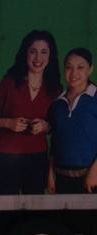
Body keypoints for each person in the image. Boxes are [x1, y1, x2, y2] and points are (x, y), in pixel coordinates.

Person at [0, 30, 61, 195]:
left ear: (50, 56)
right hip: (6, 157)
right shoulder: (9, 83)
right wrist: (8, 123)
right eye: (33, 51)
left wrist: (46, 126)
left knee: (34, 212)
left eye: (44, 52)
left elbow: (57, 126)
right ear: (25, 53)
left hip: (38, 156)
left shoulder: (55, 89)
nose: (38, 58)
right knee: (7, 211)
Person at [49, 48, 97, 193]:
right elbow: (55, 141)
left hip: (91, 178)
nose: (74, 73)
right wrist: (50, 173)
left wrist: (95, 172)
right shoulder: (57, 103)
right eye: (69, 67)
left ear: (90, 70)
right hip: (62, 178)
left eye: (80, 67)